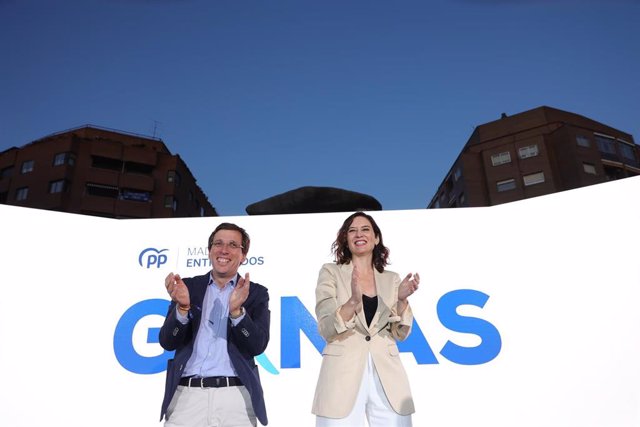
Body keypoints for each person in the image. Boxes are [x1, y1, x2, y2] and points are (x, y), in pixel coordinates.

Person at [312, 212, 420, 426]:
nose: (358, 234)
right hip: (341, 375)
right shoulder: (330, 272)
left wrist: (401, 301)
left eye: (365, 229)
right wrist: (352, 302)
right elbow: (326, 328)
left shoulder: (392, 279)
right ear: (345, 239)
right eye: (352, 230)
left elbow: (400, 333)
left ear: (376, 237)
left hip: (388, 376)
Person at [159, 222, 270, 427]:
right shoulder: (188, 287)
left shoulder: (255, 293)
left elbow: (257, 345)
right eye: (218, 243)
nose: (224, 250)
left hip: (235, 399)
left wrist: (237, 313)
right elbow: (167, 341)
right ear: (209, 251)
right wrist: (182, 308)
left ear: (244, 255)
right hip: (186, 399)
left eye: (232, 245)